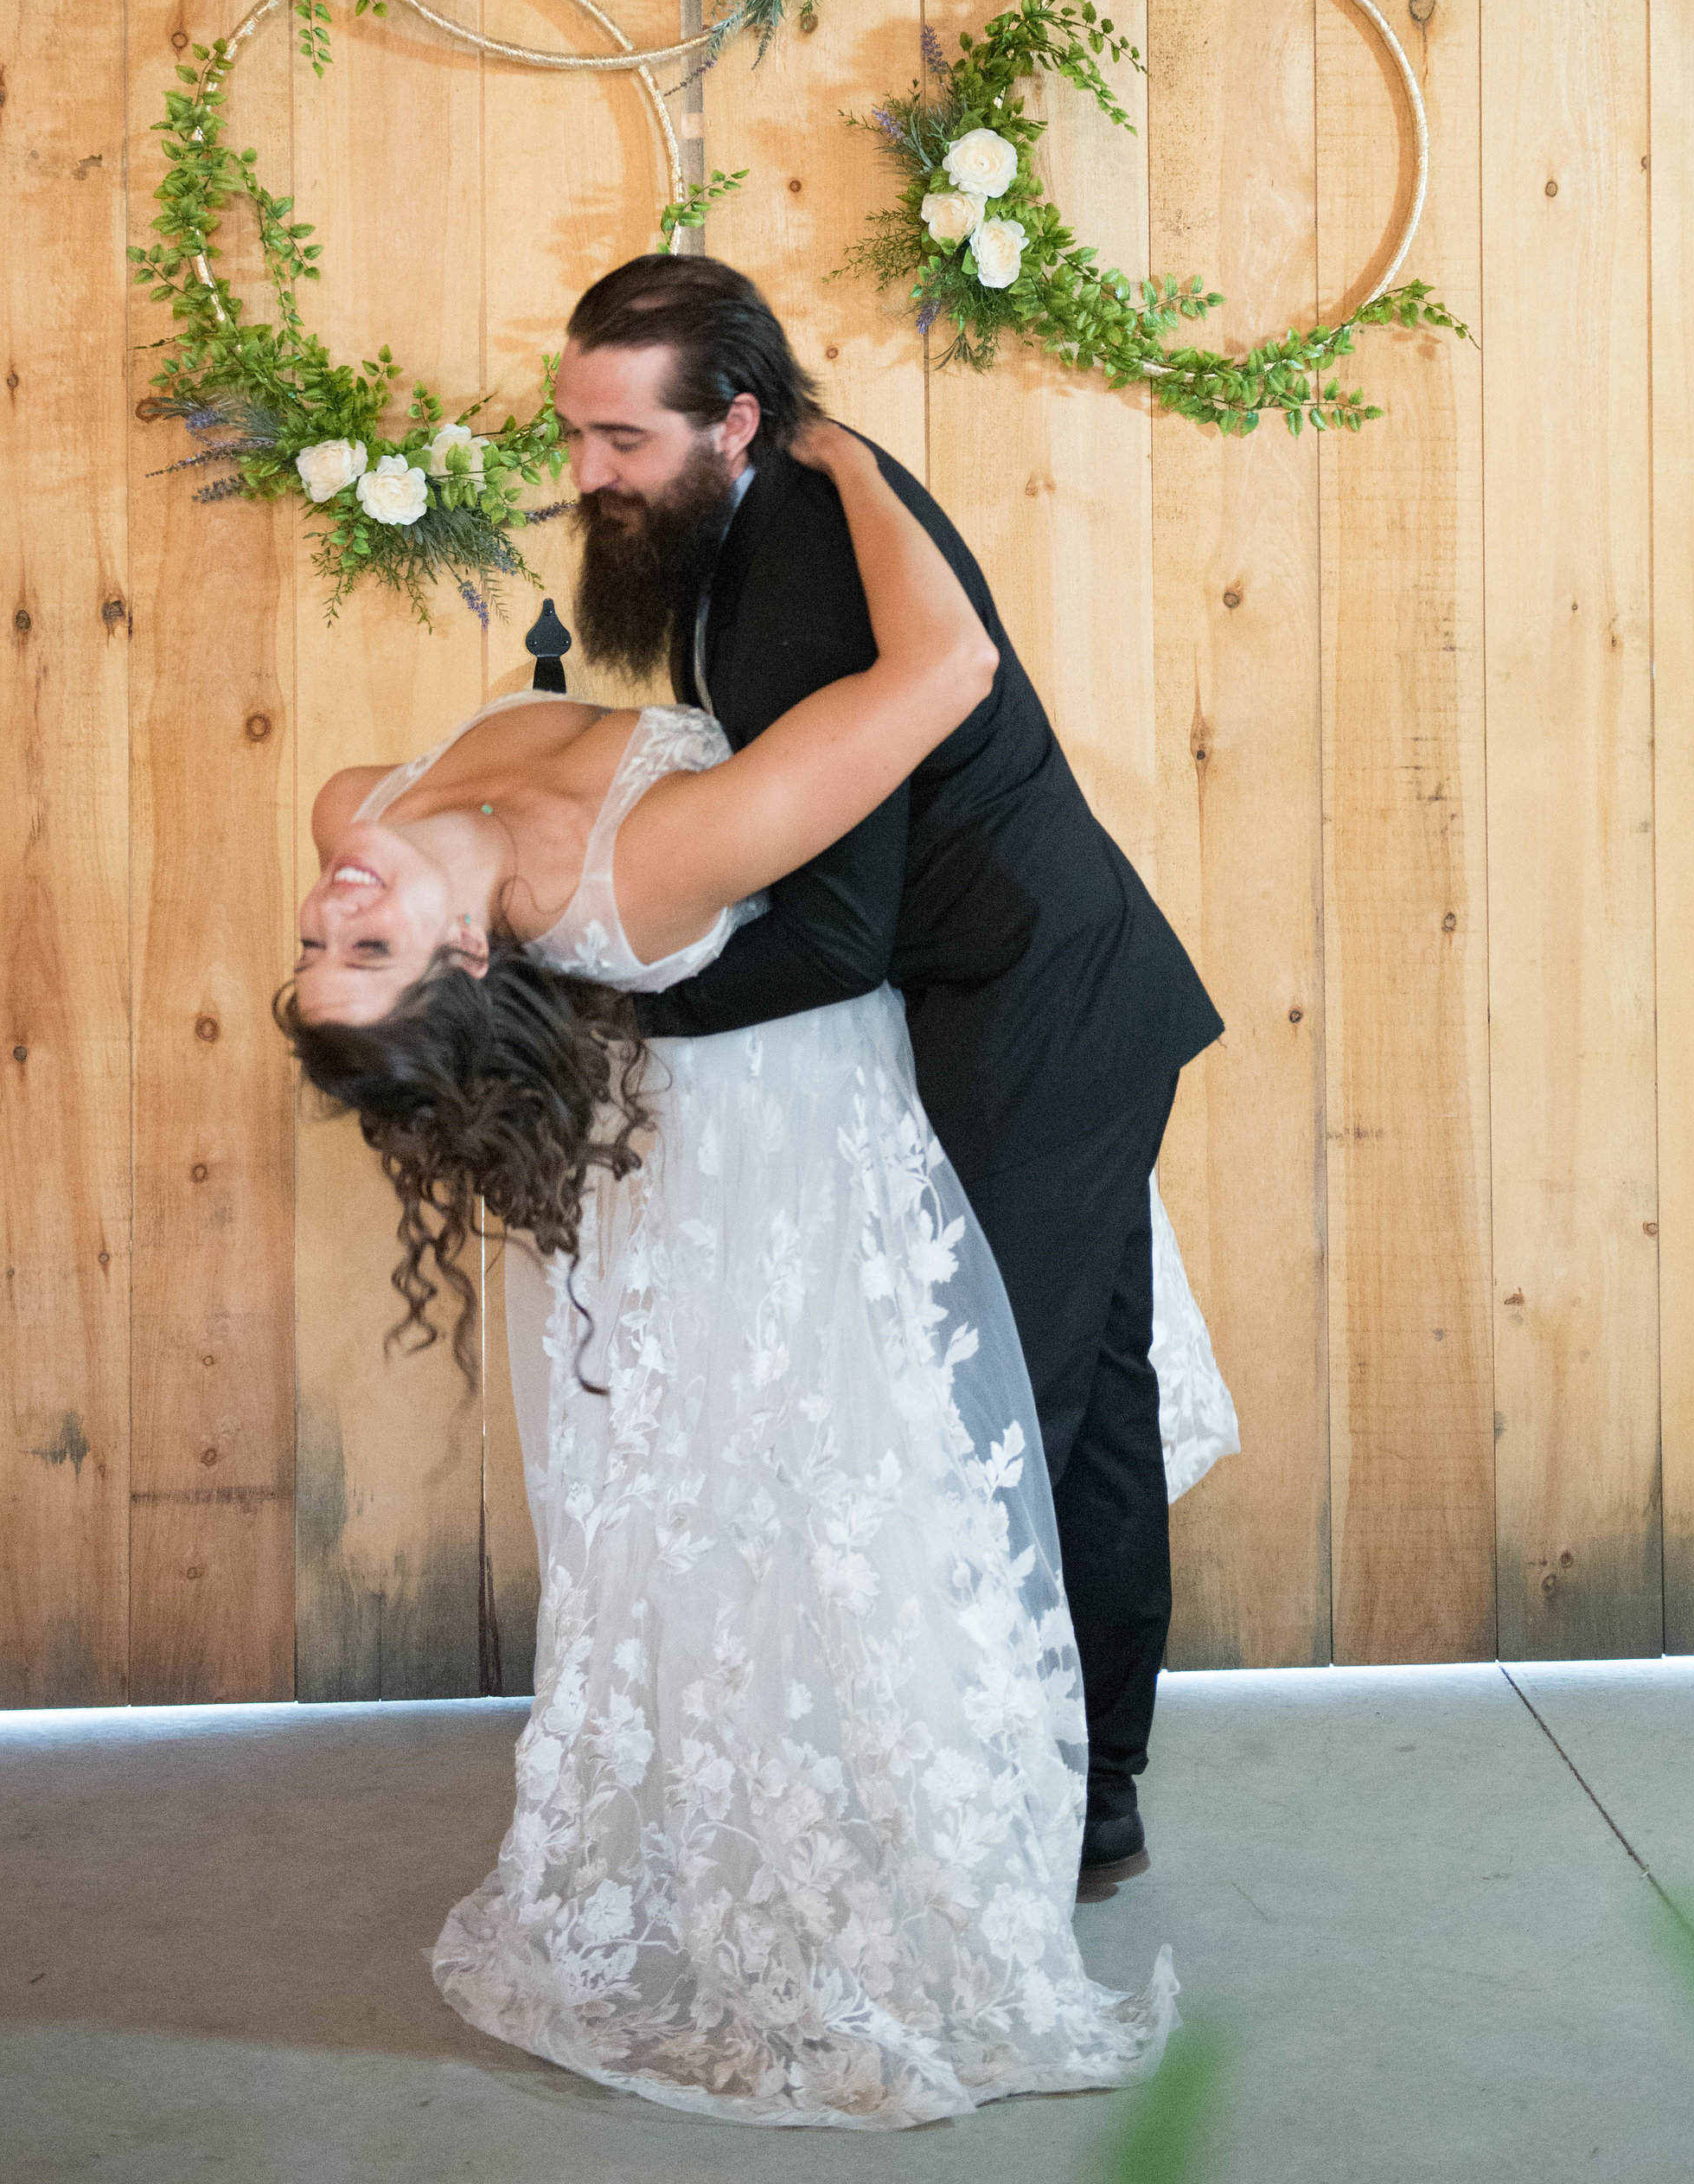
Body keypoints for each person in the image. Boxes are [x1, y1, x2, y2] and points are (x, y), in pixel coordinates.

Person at [284, 416, 1185, 2127]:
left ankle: (1091, 1798)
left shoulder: (359, 806)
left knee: (1042, 1417)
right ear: (471, 957)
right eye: (370, 944)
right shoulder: (659, 862)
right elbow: (939, 673)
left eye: (323, 941)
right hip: (816, 1117)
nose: (334, 898)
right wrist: (850, 465)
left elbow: (409, 836)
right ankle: (1015, 1815)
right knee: (935, 1472)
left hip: (811, 1092)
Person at [553, 256, 1229, 1887]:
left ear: (736, 420)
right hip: (1038, 995)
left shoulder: (810, 557)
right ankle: (1090, 1794)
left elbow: (842, 934)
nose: (587, 475)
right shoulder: (775, 503)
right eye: (573, 434)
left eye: (620, 444)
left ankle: (1018, 1807)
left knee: (993, 1417)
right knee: (1087, 1414)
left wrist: (614, 1017)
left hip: (1036, 1011)